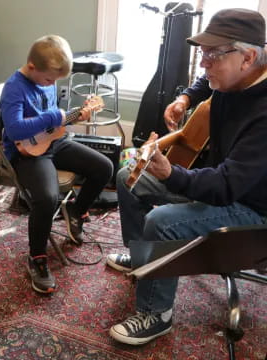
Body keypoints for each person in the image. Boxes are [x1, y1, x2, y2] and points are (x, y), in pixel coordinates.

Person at [105, 8, 267, 345]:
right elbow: (203, 82)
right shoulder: (236, 75)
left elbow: (224, 187)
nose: (204, 62)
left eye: (213, 54)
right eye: (202, 53)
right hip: (224, 182)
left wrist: (169, 173)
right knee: (128, 178)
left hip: (253, 209)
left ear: (248, 56)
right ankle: (142, 259)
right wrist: (185, 98)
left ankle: (155, 313)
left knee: (163, 221)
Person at [0, 35, 113, 294]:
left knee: (104, 167)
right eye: (49, 79)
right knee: (47, 198)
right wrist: (52, 116)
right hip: (27, 153)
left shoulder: (47, 81)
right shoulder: (14, 88)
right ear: (31, 67)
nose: (52, 85)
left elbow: (52, 124)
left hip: (51, 143)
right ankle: (37, 257)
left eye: (56, 81)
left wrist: (72, 117)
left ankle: (76, 210)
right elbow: (16, 129)